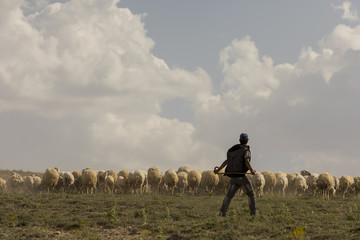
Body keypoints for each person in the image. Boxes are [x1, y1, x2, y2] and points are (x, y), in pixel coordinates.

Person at [213, 133, 256, 216]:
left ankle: (222, 213)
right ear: (247, 141)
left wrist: (218, 170)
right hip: (242, 177)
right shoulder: (246, 150)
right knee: (251, 194)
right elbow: (246, 160)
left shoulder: (233, 150)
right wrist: (252, 170)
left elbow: (226, 161)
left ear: (240, 140)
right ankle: (253, 214)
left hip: (233, 177)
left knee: (229, 196)